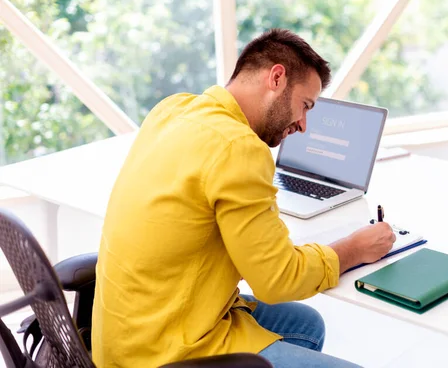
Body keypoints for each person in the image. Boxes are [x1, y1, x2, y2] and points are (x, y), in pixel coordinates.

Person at [91, 28, 396, 368]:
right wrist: (353, 248)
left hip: (125, 335)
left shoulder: (174, 109)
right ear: (276, 78)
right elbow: (278, 280)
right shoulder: (239, 148)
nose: (304, 125)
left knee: (306, 325)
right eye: (305, 105)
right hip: (167, 352)